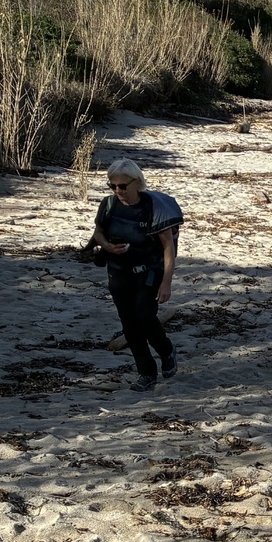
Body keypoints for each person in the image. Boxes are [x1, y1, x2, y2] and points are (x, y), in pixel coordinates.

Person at [91, 159, 180, 392]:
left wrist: (166, 283)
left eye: (122, 186)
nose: (118, 191)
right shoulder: (109, 205)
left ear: (137, 182)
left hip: (149, 272)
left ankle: (166, 350)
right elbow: (98, 233)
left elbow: (168, 247)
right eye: (112, 186)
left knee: (145, 316)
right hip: (119, 272)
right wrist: (108, 247)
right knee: (129, 325)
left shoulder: (153, 207)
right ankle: (146, 373)